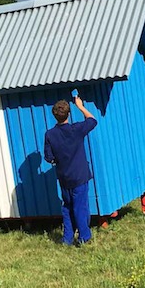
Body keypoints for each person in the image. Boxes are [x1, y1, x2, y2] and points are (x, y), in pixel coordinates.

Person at [44, 95, 97, 245]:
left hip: (64, 177)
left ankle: (67, 238)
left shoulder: (50, 134)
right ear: (68, 114)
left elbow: (49, 157)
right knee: (80, 207)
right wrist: (80, 106)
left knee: (67, 208)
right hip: (79, 176)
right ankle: (83, 237)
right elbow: (92, 120)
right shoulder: (76, 129)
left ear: (54, 115)